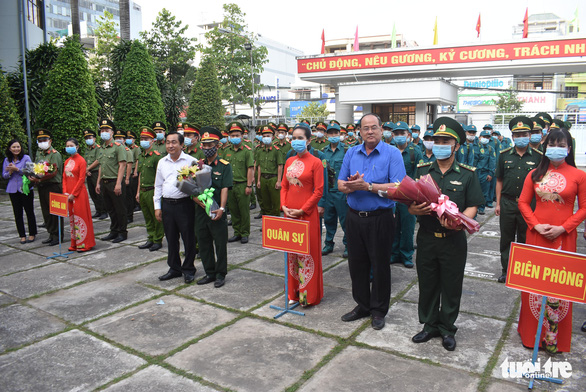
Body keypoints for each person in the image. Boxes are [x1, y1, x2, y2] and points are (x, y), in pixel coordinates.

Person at [409, 117, 484, 351]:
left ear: (456, 146)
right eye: (436, 140)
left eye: (445, 141)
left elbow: (474, 205)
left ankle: (447, 328)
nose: (439, 144)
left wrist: (460, 221)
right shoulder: (422, 170)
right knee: (428, 284)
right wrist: (411, 208)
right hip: (427, 238)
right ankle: (430, 325)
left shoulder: (468, 174)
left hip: (453, 241)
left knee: (451, 286)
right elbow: (410, 200)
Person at [517, 127, 586, 354]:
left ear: (568, 148)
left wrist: (563, 228)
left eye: (560, 145)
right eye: (551, 144)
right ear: (545, 148)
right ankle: (530, 336)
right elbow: (523, 203)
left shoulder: (579, 176)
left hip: (563, 238)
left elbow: (584, 208)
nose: (555, 149)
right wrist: (535, 224)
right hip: (536, 236)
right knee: (533, 285)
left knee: (560, 286)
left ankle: (554, 338)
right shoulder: (534, 174)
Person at [338, 113, 406, 330]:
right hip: (354, 217)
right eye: (365, 128)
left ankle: (378, 310)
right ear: (359, 131)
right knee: (356, 264)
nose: (369, 131)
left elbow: (398, 188)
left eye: (374, 127)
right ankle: (362, 305)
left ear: (381, 130)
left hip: (380, 218)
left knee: (379, 265)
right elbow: (340, 184)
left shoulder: (392, 153)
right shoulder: (351, 152)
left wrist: (367, 186)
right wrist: (352, 185)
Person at [281, 122, 325, 306]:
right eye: (294, 138)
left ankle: (307, 296)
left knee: (308, 255)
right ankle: (293, 294)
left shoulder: (316, 162)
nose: (296, 141)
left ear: (308, 140)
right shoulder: (289, 161)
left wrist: (303, 209)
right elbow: (284, 185)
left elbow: (319, 191)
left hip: (306, 214)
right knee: (292, 254)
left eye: (301, 138)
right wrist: (283, 206)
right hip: (289, 213)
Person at [495, 116, 541, 283]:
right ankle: (506, 271)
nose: (521, 137)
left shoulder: (538, 156)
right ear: (513, 137)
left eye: (525, 134)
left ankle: (522, 271)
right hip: (507, 203)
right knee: (506, 239)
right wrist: (498, 204)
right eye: (518, 135)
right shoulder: (504, 155)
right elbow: (499, 180)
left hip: (528, 205)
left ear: (529, 135)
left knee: (525, 238)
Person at [155, 131, 198, 283]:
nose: (170, 145)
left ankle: (188, 269)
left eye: (174, 142)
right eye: (168, 142)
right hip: (167, 205)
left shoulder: (192, 161)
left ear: (181, 144)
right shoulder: (162, 162)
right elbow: (158, 185)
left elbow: (197, 186)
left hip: (184, 205)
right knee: (171, 238)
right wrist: (157, 206)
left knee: (188, 238)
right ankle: (174, 268)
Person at [194, 127, 233, 288]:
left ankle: (220, 274)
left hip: (217, 210)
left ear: (217, 145)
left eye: (210, 145)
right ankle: (209, 272)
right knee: (203, 243)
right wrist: (196, 199)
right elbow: (190, 187)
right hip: (201, 211)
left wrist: (222, 208)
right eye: (204, 145)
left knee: (219, 243)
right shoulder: (197, 165)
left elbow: (224, 188)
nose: (207, 148)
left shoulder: (224, 166)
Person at [391, 121, 423, 268]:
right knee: (393, 225)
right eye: (396, 134)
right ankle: (394, 253)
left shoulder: (415, 151)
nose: (399, 136)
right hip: (392, 194)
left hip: (408, 196)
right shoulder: (390, 150)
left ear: (408, 135)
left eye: (401, 134)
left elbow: (419, 175)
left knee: (408, 226)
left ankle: (406, 254)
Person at [96, 119, 128, 243]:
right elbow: (100, 166)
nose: (104, 132)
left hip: (115, 182)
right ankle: (113, 231)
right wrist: (98, 182)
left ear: (112, 132)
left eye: (106, 130)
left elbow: (122, 165)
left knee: (120, 209)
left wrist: (119, 183)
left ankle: (122, 232)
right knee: (111, 209)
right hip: (105, 182)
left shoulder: (118, 147)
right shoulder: (102, 148)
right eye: (102, 130)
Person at [30, 129, 63, 246]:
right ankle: (51, 233)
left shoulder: (55, 154)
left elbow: (54, 171)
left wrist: (39, 179)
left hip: (53, 186)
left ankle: (57, 235)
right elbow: (36, 167)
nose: (42, 142)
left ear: (50, 141)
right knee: (46, 212)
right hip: (42, 185)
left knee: (55, 212)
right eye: (40, 140)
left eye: (44, 140)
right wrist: (33, 176)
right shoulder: (39, 153)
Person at [63, 138, 95, 252]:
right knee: (72, 218)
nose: (68, 147)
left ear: (77, 147)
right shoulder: (67, 161)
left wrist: (73, 193)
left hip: (79, 194)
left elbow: (81, 179)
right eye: (67, 145)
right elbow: (64, 178)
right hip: (69, 194)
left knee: (80, 218)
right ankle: (75, 243)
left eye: (71, 145)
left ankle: (84, 244)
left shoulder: (81, 161)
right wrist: (65, 192)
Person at [224, 122, 254, 244]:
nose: (235, 137)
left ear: (242, 136)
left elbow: (250, 169)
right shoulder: (226, 151)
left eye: (237, 135)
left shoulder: (247, 151)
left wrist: (249, 185)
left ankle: (245, 233)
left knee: (244, 211)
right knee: (234, 210)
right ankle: (237, 232)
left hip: (242, 185)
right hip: (230, 185)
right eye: (232, 135)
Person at [321, 122, 348, 258]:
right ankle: (328, 244)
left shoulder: (347, 150)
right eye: (330, 133)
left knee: (345, 220)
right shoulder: (322, 152)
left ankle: (348, 245)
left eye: (336, 133)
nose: (333, 135)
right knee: (329, 219)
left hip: (341, 192)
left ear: (340, 134)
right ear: (326, 135)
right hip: (327, 192)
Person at [3, 139, 37, 244]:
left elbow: (31, 172)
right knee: (17, 213)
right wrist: (10, 171)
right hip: (13, 190)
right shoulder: (7, 160)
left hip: (25, 189)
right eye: (14, 147)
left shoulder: (26, 158)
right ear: (10, 149)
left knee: (29, 211)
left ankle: (32, 233)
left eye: (18, 147)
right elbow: (4, 175)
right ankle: (22, 235)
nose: (16, 149)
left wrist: (17, 169)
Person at [136, 126, 164, 251]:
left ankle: (158, 239)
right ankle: (151, 237)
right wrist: (137, 191)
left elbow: (161, 176)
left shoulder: (156, 156)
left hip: (153, 190)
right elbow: (140, 174)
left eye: (146, 138)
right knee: (147, 216)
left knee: (156, 216)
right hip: (143, 191)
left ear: (152, 140)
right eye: (142, 138)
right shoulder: (142, 156)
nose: (143, 141)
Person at [255, 125, 284, 219]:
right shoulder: (260, 151)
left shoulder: (276, 150)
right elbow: (259, 166)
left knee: (275, 204)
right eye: (264, 136)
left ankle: (276, 225)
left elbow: (280, 165)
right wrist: (258, 180)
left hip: (273, 178)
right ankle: (267, 225)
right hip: (263, 179)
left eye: (268, 136)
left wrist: (279, 181)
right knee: (265, 203)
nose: (266, 138)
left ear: (272, 137)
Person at [82, 129, 107, 219]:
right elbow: (85, 161)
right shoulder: (87, 149)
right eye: (86, 138)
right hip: (89, 173)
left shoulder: (98, 148)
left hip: (96, 172)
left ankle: (104, 211)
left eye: (90, 137)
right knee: (92, 192)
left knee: (98, 192)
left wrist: (88, 168)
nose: (88, 139)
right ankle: (98, 210)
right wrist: (86, 170)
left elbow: (98, 160)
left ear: (94, 138)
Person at [113, 129, 135, 225]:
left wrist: (127, 178)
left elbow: (129, 165)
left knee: (127, 198)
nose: (118, 140)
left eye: (120, 138)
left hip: (126, 176)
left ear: (124, 140)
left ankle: (129, 216)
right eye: (117, 138)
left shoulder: (127, 150)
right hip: (118, 176)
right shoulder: (115, 149)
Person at [473, 129, 496, 215]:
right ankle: (474, 208)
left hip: (484, 173)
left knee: (484, 192)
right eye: (484, 137)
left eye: (487, 137)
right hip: (475, 172)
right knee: (474, 192)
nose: (485, 139)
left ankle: (481, 208)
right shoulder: (474, 147)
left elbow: (492, 162)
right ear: (479, 137)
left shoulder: (490, 149)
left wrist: (491, 173)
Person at [125, 130, 141, 220]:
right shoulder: (126, 148)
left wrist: (135, 171)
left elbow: (137, 160)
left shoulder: (136, 148)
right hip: (128, 172)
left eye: (130, 138)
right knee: (130, 191)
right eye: (127, 138)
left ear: (134, 140)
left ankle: (137, 205)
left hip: (134, 171)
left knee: (134, 190)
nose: (128, 140)